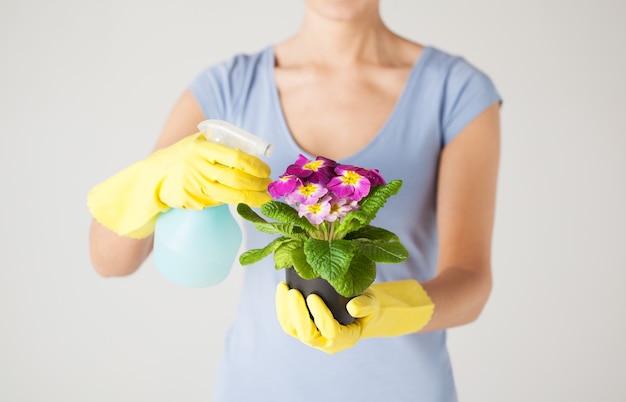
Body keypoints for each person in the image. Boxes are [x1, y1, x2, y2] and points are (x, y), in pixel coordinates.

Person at [88, 0, 501, 401]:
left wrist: (382, 310)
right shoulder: (229, 87)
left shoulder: (456, 90)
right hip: (259, 386)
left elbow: (471, 282)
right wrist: (154, 181)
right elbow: (110, 260)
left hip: (402, 389)